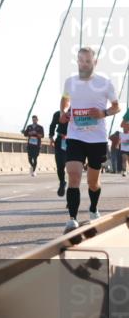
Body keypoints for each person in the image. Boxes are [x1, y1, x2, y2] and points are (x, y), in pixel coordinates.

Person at [59, 48, 120, 233]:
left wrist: (103, 113)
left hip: (97, 139)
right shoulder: (70, 82)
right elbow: (65, 100)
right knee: (74, 175)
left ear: (95, 63)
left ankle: (93, 208)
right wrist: (63, 112)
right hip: (75, 136)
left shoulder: (105, 83)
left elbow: (116, 107)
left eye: (88, 61)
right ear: (77, 61)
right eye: (81, 61)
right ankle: (72, 219)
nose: (84, 64)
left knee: (93, 183)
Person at [49, 109, 69, 196]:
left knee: (72, 166)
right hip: (61, 140)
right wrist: (51, 137)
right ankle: (62, 181)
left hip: (73, 141)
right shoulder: (58, 114)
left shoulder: (77, 113)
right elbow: (52, 125)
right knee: (60, 165)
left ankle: (72, 191)